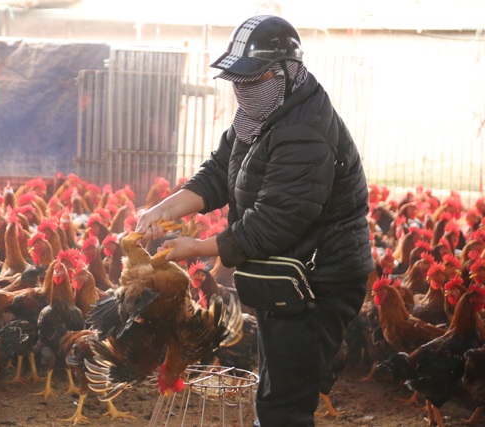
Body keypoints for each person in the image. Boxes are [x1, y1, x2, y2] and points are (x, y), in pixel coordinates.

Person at [135, 15, 374, 427]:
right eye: (238, 80)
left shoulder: (305, 131)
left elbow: (276, 221)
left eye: (253, 78)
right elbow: (218, 173)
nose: (242, 89)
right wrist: (164, 209)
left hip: (320, 281)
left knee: (285, 405)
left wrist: (200, 247)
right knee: (277, 388)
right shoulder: (264, 113)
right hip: (289, 273)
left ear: (286, 72)